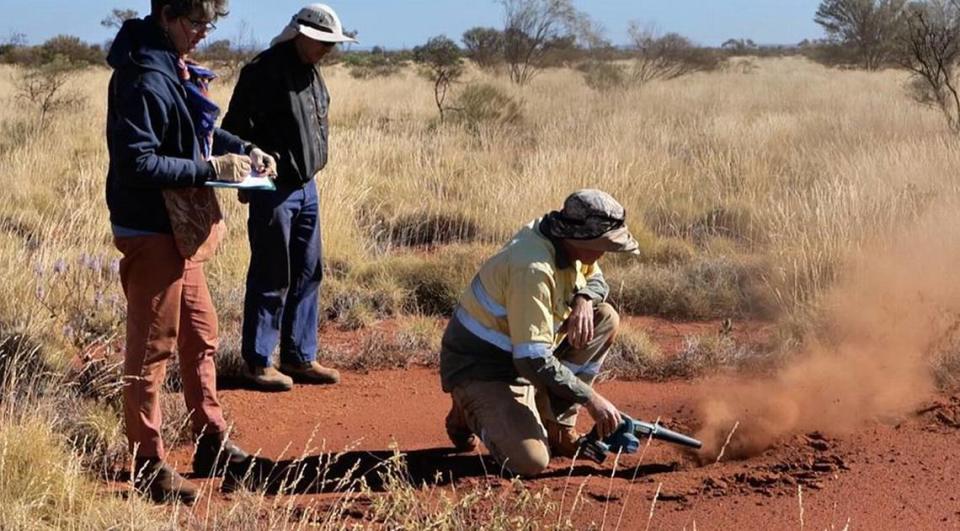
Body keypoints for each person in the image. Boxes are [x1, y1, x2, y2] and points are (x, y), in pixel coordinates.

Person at [105, 0, 276, 504]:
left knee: (200, 335)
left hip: (182, 230)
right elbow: (138, 162)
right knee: (152, 350)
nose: (203, 33)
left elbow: (194, 130)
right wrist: (210, 170)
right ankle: (148, 462)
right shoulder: (141, 75)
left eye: (208, 23)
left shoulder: (169, 62)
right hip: (151, 226)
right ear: (167, 15)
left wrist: (242, 150)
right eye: (196, 22)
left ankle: (210, 441)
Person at [440, 189, 640, 476]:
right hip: (482, 366)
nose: (605, 252)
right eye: (603, 244)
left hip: (523, 353)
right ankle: (469, 407)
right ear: (579, 238)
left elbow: (596, 279)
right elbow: (532, 360)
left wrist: (583, 299)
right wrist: (591, 399)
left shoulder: (567, 241)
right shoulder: (532, 268)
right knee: (530, 462)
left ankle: (557, 426)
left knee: (604, 317)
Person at [221, 4, 355, 391]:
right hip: (273, 191)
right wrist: (251, 166)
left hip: (306, 187)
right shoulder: (262, 72)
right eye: (323, 42)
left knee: (309, 271)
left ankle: (298, 356)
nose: (328, 49)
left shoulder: (312, 73)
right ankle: (259, 361)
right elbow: (230, 131)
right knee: (271, 271)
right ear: (300, 33)